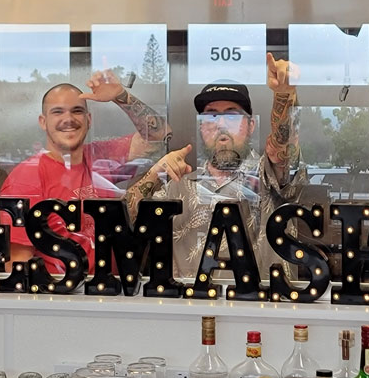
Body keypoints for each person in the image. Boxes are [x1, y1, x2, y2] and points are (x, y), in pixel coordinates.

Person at [124, 54, 305, 279]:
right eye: (210, 116)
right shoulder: (178, 185)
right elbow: (124, 221)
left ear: (251, 125)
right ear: (201, 127)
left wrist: (284, 95)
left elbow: (283, 150)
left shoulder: (269, 177)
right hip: (188, 301)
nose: (220, 124)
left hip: (259, 301)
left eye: (232, 115)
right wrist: (155, 172)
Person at [0, 70, 170, 271]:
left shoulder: (99, 157)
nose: (68, 118)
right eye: (57, 112)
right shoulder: (25, 178)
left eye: (77, 111)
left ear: (89, 120)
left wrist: (121, 96)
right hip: (62, 290)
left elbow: (159, 135)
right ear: (43, 122)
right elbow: (18, 266)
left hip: (111, 286)